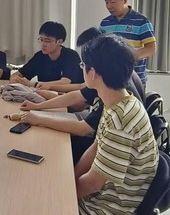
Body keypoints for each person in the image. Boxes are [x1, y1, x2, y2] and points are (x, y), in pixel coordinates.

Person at [74, 34, 158, 215]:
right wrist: (71, 179)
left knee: (34, 205)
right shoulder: (119, 101)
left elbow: (93, 183)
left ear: (93, 73)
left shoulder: (120, 122)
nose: (82, 69)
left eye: (83, 65)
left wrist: (63, 195)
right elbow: (96, 147)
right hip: (103, 202)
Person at [20, 28, 145, 164]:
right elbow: (76, 97)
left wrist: (39, 119)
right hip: (102, 145)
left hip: (109, 151)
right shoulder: (111, 79)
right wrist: (38, 106)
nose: (82, 68)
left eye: (84, 63)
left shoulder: (114, 100)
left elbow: (83, 130)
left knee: (52, 147)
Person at [99, 0, 156, 87]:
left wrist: (127, 55)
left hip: (135, 79)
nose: (109, 6)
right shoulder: (105, 23)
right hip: (110, 79)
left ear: (124, 0)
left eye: (113, 2)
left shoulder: (141, 21)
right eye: (106, 2)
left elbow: (151, 49)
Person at [9, 21, 83, 89]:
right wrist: (15, 79)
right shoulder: (39, 56)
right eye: (41, 40)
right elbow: (19, 74)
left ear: (59, 42)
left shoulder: (71, 56)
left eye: (47, 41)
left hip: (70, 95)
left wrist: (34, 85)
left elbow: (65, 82)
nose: (43, 44)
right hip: (45, 94)